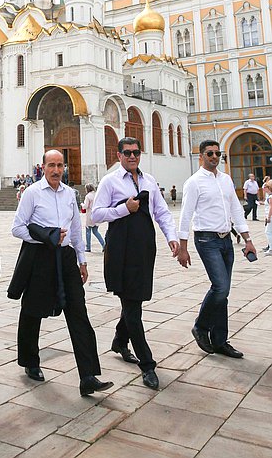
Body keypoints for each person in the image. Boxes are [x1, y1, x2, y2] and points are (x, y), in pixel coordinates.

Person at [8, 149, 113, 397]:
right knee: (33, 310)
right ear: (42, 167)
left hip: (65, 259)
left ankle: (88, 375)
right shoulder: (32, 193)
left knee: (79, 313)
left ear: (64, 168)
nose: (56, 170)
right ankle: (30, 361)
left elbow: (76, 228)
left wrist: (82, 260)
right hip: (40, 258)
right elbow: (17, 228)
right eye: (51, 165)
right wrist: (45, 236)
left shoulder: (69, 194)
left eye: (60, 165)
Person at [92, 137, 179, 390]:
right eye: (127, 152)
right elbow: (95, 215)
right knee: (132, 306)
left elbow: (161, 212)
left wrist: (171, 238)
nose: (132, 156)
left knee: (136, 299)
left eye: (136, 152)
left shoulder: (149, 180)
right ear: (118, 155)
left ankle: (120, 340)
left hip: (143, 248)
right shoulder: (110, 182)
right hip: (120, 248)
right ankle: (147, 364)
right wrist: (123, 209)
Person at [178, 140, 256, 358]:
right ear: (201, 156)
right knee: (220, 287)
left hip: (225, 241)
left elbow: (236, 210)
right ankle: (201, 326)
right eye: (209, 153)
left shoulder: (226, 180)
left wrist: (247, 238)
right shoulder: (194, 182)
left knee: (224, 293)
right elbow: (185, 214)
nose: (214, 156)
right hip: (206, 240)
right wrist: (183, 247)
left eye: (217, 153)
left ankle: (220, 341)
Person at [83, 184, 105, 252]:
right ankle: (104, 245)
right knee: (95, 231)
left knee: (88, 231)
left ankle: (88, 247)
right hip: (96, 213)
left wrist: (82, 205)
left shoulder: (88, 196)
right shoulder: (97, 194)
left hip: (90, 214)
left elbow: (86, 206)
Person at [262, 180, 272, 255]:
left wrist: (268, 217)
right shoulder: (269, 196)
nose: (264, 188)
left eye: (265, 187)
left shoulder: (270, 197)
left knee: (268, 232)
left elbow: (271, 207)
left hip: (271, 217)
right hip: (269, 215)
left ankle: (271, 249)